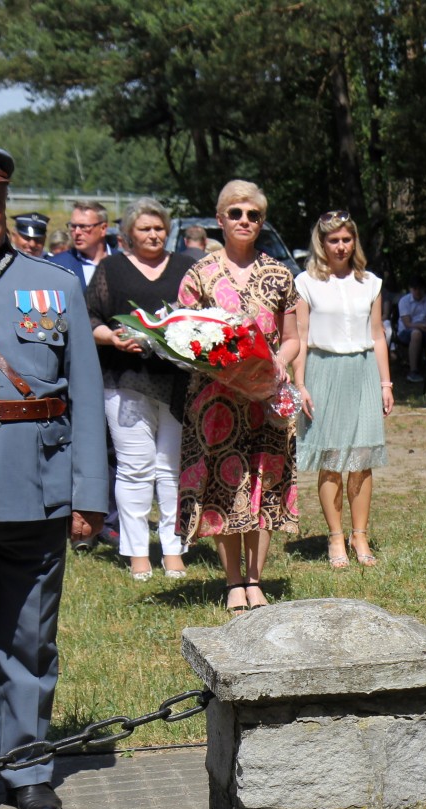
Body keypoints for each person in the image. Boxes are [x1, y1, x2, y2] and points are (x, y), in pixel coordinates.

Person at [0, 143, 107, 809]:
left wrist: (90, 494)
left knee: (30, 635)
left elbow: (85, 391)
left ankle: (28, 768)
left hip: (38, 487)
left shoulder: (54, 285)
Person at [175, 180, 301, 614]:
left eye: (253, 215)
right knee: (223, 486)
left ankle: (255, 579)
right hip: (216, 399)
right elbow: (185, 336)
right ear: (220, 219)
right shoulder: (199, 274)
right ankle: (232, 581)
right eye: (236, 213)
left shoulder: (280, 274)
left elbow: (292, 338)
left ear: (261, 222)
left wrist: (280, 360)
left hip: (266, 398)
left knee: (264, 483)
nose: (245, 221)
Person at [84, 198, 194, 581]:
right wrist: (112, 338)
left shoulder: (185, 267)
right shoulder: (111, 268)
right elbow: (90, 317)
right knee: (135, 468)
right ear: (129, 233)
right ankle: (137, 553)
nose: (153, 235)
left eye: (159, 228)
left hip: (177, 381)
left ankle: (174, 549)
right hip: (125, 380)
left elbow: (200, 316)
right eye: (145, 229)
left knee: (172, 469)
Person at [293, 210, 393, 569]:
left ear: (355, 241)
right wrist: (300, 383)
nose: (340, 246)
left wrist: (385, 382)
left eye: (346, 239)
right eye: (333, 240)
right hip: (324, 370)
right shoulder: (305, 283)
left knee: (362, 458)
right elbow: (300, 336)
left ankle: (359, 534)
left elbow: (377, 335)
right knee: (332, 457)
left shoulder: (370, 283)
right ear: (321, 243)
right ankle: (335, 536)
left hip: (363, 369)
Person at [49, 200, 112, 287]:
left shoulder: (124, 262)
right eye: (73, 226)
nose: (77, 232)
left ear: (103, 229)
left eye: (84, 227)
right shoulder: (57, 265)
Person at [396, 277, 426, 383]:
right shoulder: (404, 301)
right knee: (416, 334)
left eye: (420, 289)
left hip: (425, 330)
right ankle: (413, 371)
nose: (418, 291)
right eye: (415, 289)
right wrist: (420, 326)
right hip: (405, 332)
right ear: (410, 289)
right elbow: (407, 324)